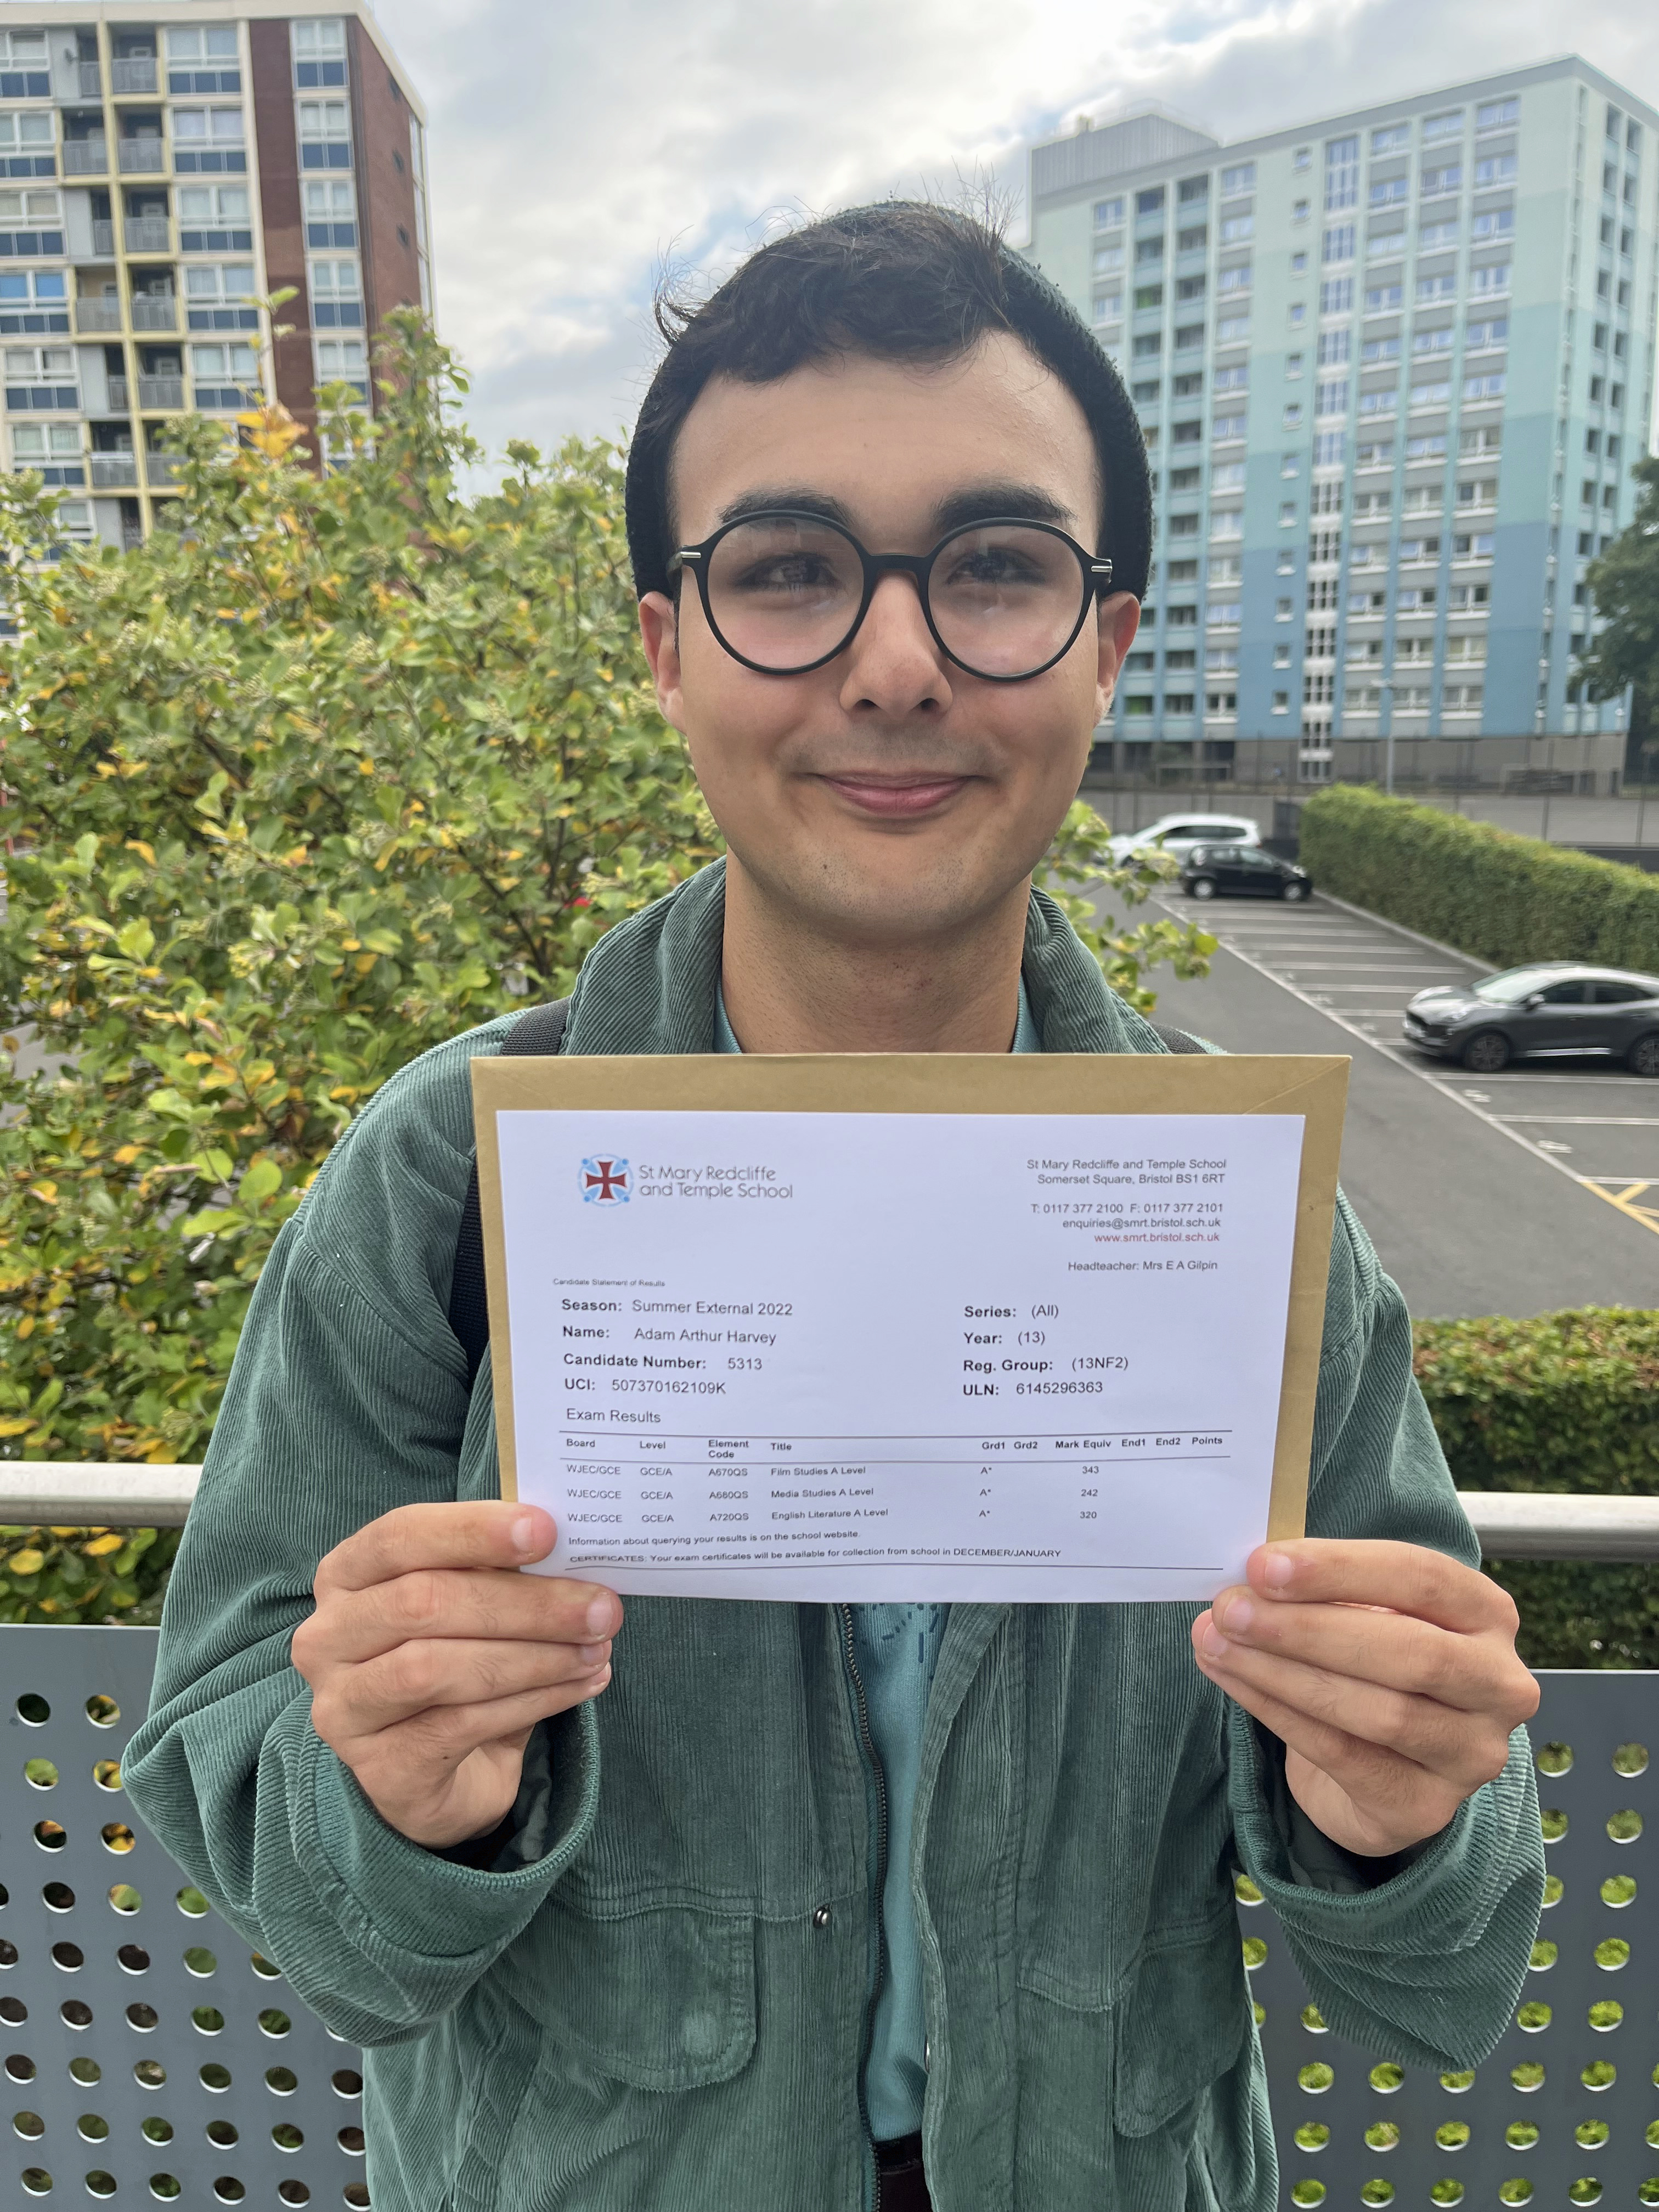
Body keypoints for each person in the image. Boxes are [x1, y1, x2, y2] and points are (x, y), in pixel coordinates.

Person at [126, 205, 1542, 2212]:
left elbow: (1455, 1967)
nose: (897, 665)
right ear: (666, 647)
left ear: (1106, 643)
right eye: (789, 572)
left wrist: (1403, 1816)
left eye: (995, 571)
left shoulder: (1255, 1223)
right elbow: (249, 1816)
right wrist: (386, 1791)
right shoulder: (447, 1179)